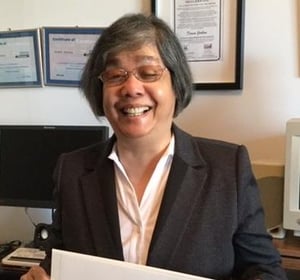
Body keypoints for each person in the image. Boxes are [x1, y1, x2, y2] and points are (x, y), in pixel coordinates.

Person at [21, 13, 287, 280]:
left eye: (148, 73)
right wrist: (43, 272)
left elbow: (264, 269)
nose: (131, 87)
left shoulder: (228, 168)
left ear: (176, 85)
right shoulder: (72, 169)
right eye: (115, 75)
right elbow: (62, 253)